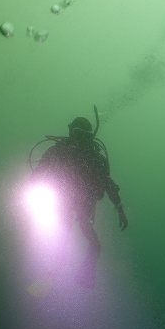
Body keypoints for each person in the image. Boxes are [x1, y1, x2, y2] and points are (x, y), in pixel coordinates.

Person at [30, 109, 127, 286]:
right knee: (75, 239)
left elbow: (38, 174)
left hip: (76, 202)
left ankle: (59, 273)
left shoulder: (70, 153)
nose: (77, 141)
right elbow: (38, 174)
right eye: (76, 135)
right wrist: (120, 209)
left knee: (71, 238)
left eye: (79, 135)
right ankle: (57, 273)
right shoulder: (69, 153)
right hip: (70, 201)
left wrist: (120, 208)